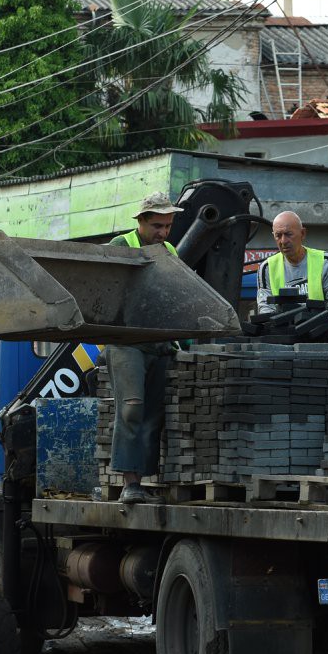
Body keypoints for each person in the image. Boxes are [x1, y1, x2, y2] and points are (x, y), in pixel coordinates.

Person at [106, 191, 182, 504]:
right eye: (156, 226)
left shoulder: (169, 251)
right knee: (132, 408)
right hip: (127, 342)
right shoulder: (120, 247)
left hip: (159, 342)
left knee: (153, 415)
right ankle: (129, 482)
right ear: (141, 222)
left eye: (167, 226)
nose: (162, 232)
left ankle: (143, 482)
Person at [256, 211, 328, 319]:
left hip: (320, 331)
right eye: (278, 235)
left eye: (288, 234)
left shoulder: (324, 261)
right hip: (283, 333)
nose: (283, 241)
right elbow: (265, 310)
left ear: (303, 233)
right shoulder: (267, 268)